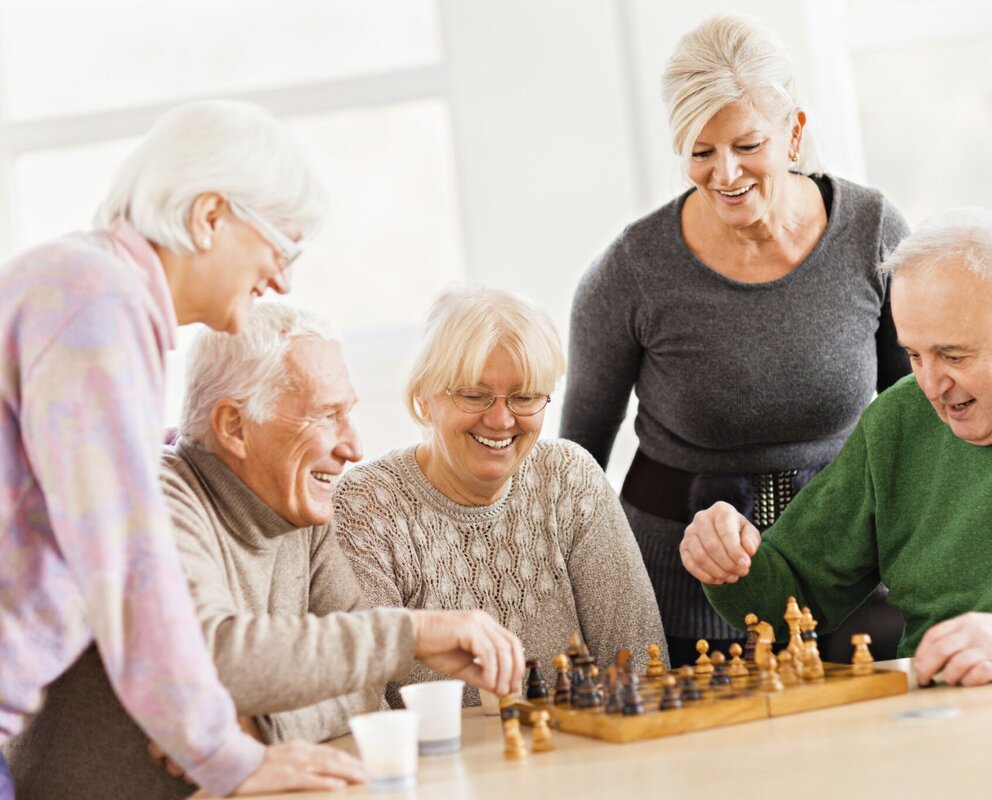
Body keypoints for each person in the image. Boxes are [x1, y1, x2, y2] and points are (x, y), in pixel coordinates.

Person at [8, 303, 526, 798]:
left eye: (349, 413)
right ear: (234, 425)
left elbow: (366, 685)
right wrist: (409, 633)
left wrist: (260, 726)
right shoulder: (151, 501)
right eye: (327, 416)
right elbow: (201, 660)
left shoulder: (301, 509)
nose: (354, 447)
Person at [0, 99, 363, 798]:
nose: (281, 280)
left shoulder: (87, 286)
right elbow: (129, 571)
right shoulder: (96, 302)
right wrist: (228, 756)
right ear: (210, 216)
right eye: (279, 249)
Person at [680, 207, 992, 687]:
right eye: (915, 355)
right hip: (944, 716)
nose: (931, 385)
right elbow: (791, 598)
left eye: (953, 355)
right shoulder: (897, 421)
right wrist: (729, 558)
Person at [561, 13, 910, 667]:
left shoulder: (872, 231)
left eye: (747, 145)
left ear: (794, 132)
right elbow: (573, 471)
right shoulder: (634, 269)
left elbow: (917, 418)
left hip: (846, 574)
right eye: (700, 151)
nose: (724, 173)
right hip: (680, 593)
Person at [335, 286, 666, 706]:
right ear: (424, 397)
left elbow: (640, 666)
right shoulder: (365, 507)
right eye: (474, 395)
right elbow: (363, 707)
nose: (500, 419)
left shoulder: (570, 479)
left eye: (525, 396)